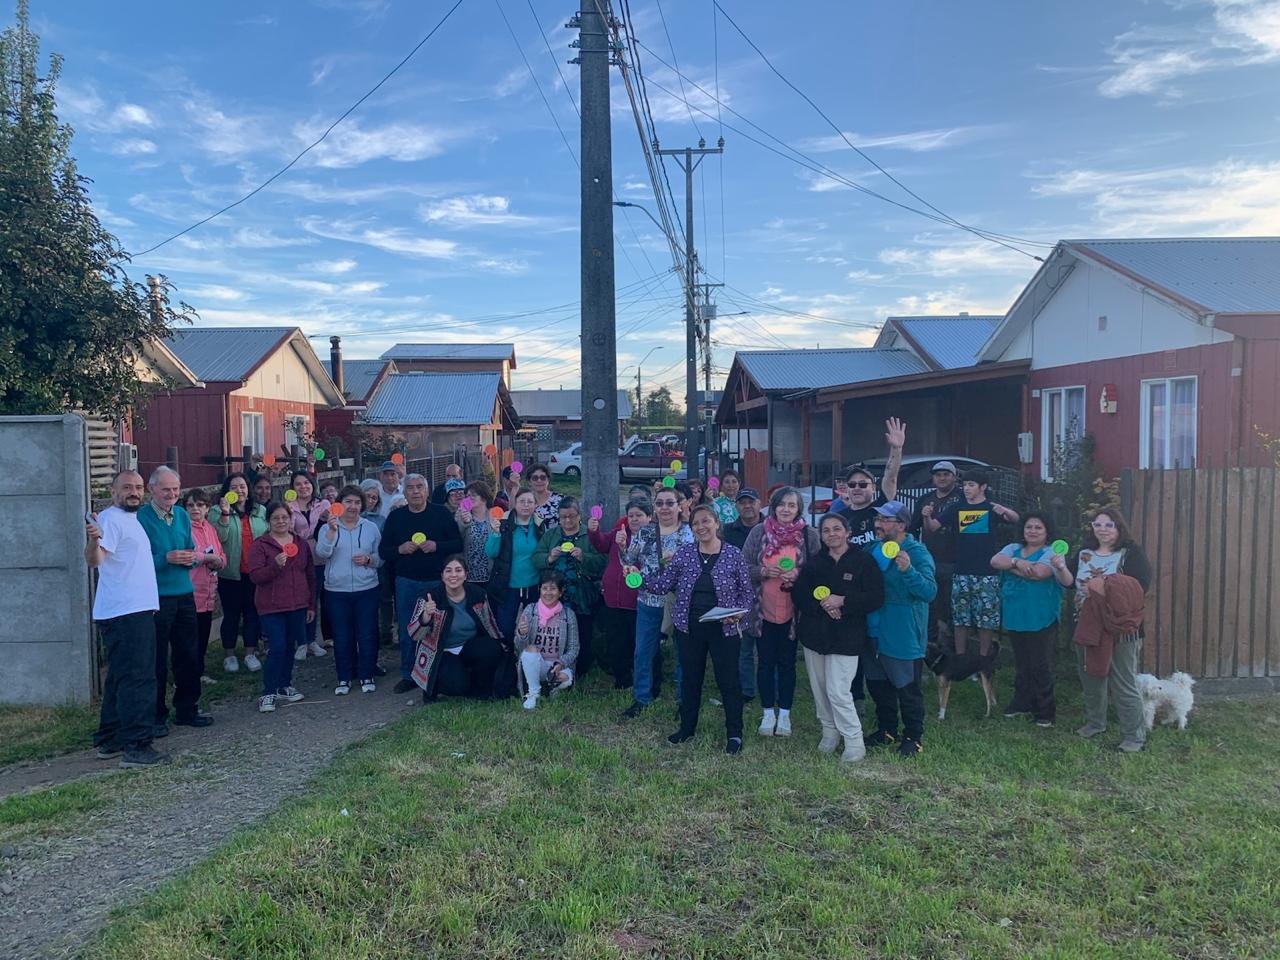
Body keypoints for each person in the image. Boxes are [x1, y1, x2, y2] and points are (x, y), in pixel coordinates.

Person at [642, 504, 754, 754]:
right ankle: (687, 728)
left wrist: (737, 618)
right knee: (691, 679)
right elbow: (663, 585)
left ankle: (734, 734)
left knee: (729, 682)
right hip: (689, 628)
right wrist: (638, 578)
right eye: (696, 523)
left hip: (724, 629)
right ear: (691, 529)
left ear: (716, 523)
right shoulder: (684, 554)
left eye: (706, 521)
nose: (701, 527)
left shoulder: (734, 554)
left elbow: (747, 594)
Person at [86, 471, 167, 767]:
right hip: (125, 612)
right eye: (126, 488)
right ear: (113, 491)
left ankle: (111, 739)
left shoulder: (129, 520)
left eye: (137, 487)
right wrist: (94, 541)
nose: (133, 492)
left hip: (133, 610)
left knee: (122, 677)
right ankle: (137, 745)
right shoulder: (109, 520)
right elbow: (95, 561)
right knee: (139, 678)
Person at [794, 513, 885, 761]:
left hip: (847, 635)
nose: (831, 534)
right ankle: (829, 732)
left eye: (836, 529)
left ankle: (853, 740)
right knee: (820, 689)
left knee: (838, 690)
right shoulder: (814, 563)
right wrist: (824, 605)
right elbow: (800, 594)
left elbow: (876, 596)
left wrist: (843, 601)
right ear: (821, 536)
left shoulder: (863, 561)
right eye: (826, 530)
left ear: (847, 532)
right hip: (815, 635)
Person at [136, 466, 213, 733]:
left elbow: (190, 548)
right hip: (157, 597)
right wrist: (164, 559)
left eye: (175, 489)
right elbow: (136, 560)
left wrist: (190, 557)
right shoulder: (141, 518)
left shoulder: (180, 515)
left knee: (188, 654)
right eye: (166, 489)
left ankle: (187, 708)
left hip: (184, 592)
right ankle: (156, 714)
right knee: (156, 658)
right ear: (152, 489)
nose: (171, 494)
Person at [1071, 509, 1152, 753]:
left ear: (1119, 528)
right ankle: (1096, 723)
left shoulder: (1132, 555)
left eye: (1109, 524)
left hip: (1120, 630)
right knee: (1091, 676)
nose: (1103, 529)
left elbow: (1138, 589)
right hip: (1086, 625)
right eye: (1098, 524)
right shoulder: (1083, 554)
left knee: (1124, 681)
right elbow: (1067, 582)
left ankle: (1134, 736)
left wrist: (1101, 589)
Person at [742, 486, 820, 738]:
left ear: (799, 509)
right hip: (762, 612)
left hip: (793, 614)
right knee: (764, 663)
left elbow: (819, 570)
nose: (786, 509)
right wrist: (763, 572)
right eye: (782, 504)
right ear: (773, 506)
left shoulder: (809, 536)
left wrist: (799, 575)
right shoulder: (758, 532)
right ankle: (767, 713)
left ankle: (784, 714)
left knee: (787, 664)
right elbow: (743, 568)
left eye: (792, 505)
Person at [863, 501, 936, 757]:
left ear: (902, 525)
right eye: (877, 520)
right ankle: (886, 729)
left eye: (884, 520)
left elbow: (929, 592)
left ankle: (913, 737)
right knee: (878, 684)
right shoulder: (872, 549)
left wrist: (908, 570)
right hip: (873, 629)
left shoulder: (917, 553)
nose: (878, 525)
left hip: (902, 630)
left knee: (907, 688)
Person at [380, 474, 464, 692]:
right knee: (409, 628)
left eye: (419, 487)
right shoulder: (396, 517)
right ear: (404, 492)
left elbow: (457, 543)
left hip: (437, 581)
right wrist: (399, 549)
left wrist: (436, 546)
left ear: (427, 491)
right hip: (406, 581)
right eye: (410, 488)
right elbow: (383, 551)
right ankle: (409, 673)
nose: (415, 491)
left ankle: (437, 671)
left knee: (438, 629)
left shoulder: (441, 513)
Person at [991, 512, 1073, 728]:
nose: (1033, 531)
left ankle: (1045, 711)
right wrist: (1018, 562)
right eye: (1029, 527)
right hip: (1016, 615)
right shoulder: (1012, 549)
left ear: (1047, 532)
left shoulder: (1051, 553)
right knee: (1022, 663)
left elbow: (1038, 573)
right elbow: (995, 560)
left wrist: (1011, 566)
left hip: (1041, 616)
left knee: (1040, 665)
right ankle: (1021, 703)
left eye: (1038, 527)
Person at [621, 486, 693, 717]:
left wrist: (678, 564)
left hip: (679, 603)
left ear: (679, 506)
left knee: (684, 653)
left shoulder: (689, 534)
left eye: (669, 503)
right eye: (660, 503)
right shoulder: (644, 533)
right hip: (648, 601)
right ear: (654, 507)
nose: (664, 508)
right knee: (643, 651)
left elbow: (699, 568)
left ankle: (684, 699)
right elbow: (629, 560)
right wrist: (628, 563)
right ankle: (642, 697)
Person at [930, 469, 1019, 657]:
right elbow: (933, 527)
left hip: (987, 572)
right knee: (961, 618)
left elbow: (1017, 520)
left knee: (986, 620)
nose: (966, 489)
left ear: (983, 487)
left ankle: (983, 659)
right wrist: (926, 516)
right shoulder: (957, 508)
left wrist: (1006, 511)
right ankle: (961, 657)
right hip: (961, 570)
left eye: (971, 485)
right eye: (964, 485)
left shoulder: (991, 508)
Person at [247, 502, 315, 713]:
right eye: (276, 518)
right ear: (268, 522)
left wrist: (310, 604)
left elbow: (310, 576)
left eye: (284, 517)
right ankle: (268, 692)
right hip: (271, 606)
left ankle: (284, 685)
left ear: (290, 519)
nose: (281, 521)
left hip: (297, 604)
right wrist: (275, 565)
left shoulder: (301, 544)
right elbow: (256, 576)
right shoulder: (260, 545)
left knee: (289, 647)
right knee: (276, 647)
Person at [408, 555, 505, 701]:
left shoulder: (477, 594)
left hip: (469, 646)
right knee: (458, 685)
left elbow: (489, 623)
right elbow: (414, 634)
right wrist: (426, 616)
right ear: (442, 576)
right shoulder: (430, 597)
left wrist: (501, 643)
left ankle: (481, 691)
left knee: (493, 649)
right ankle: (435, 685)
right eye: (448, 571)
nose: (453, 575)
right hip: (442, 651)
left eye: (458, 570)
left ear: (465, 575)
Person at [315, 485, 383, 696]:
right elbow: (321, 554)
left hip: (366, 589)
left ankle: (366, 674)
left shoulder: (370, 527)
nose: (353, 506)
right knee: (342, 636)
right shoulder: (328, 527)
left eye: (357, 502)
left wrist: (369, 560)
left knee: (367, 633)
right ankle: (344, 677)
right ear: (339, 504)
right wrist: (332, 533)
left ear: (362, 505)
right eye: (348, 502)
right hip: (337, 591)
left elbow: (381, 558)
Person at [533, 497, 604, 677]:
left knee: (582, 631)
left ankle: (580, 668)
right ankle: (554, 666)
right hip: (555, 596)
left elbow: (603, 561)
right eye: (563, 517)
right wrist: (549, 557)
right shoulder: (551, 535)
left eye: (571, 516)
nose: (567, 521)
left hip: (580, 594)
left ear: (579, 516)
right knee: (556, 632)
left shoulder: (589, 535)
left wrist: (584, 557)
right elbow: (536, 557)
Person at [589, 498, 651, 689]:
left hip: (637, 600)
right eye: (630, 515)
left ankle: (640, 676)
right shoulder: (618, 533)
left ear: (649, 517)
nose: (634, 519)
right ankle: (621, 679)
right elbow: (601, 545)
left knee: (636, 640)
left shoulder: (652, 538)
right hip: (612, 599)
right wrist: (594, 531)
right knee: (616, 640)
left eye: (639, 515)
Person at [908, 461, 964, 652]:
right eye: (938, 474)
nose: (942, 478)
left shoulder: (962, 498)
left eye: (946, 474)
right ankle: (931, 648)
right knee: (929, 606)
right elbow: (913, 528)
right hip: (929, 561)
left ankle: (954, 650)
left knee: (951, 607)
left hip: (955, 561)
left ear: (954, 477)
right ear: (933, 477)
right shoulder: (924, 499)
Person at [214, 473, 267, 674]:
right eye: (234, 487)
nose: (239, 490)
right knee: (231, 615)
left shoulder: (259, 510)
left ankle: (250, 653)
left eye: (243, 486)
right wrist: (225, 514)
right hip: (231, 574)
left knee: (252, 613)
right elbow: (220, 538)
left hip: (254, 572)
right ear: (227, 491)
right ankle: (229, 655)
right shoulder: (216, 511)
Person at [484, 487, 546, 647]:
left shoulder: (539, 525)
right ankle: (507, 659)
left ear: (535, 504)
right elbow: (490, 552)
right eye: (522, 501)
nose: (526, 505)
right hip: (508, 586)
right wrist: (495, 533)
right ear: (514, 504)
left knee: (533, 626)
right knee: (506, 626)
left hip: (533, 585)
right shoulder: (503, 524)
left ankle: (529, 658)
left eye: (530, 502)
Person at [835, 417, 907, 548]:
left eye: (863, 484)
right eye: (852, 485)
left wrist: (896, 449)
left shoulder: (881, 508)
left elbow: (891, 478)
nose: (857, 488)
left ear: (873, 488)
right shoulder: (839, 518)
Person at [515, 570, 579, 709]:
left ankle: (551, 688)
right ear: (539, 590)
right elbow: (519, 648)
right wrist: (522, 633)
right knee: (530, 650)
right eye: (544, 588)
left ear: (561, 592)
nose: (548, 593)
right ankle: (533, 693)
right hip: (537, 663)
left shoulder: (568, 615)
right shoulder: (530, 610)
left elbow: (574, 648)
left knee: (565, 679)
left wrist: (561, 663)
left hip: (557, 665)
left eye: (553, 589)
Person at [722, 486, 762, 701]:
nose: (747, 506)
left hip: (768, 593)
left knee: (767, 647)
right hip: (738, 595)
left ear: (759, 503)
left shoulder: (771, 528)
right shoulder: (727, 531)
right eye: (742, 502)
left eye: (751, 501)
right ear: (736, 506)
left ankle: (770, 688)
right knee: (744, 646)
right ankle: (746, 690)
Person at [184, 489, 226, 683]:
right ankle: (186, 675)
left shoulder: (209, 528)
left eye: (200, 505)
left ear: (207, 508)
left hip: (208, 591)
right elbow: (188, 556)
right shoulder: (184, 528)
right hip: (191, 590)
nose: (195, 509)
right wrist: (208, 558)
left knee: (203, 635)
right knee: (189, 638)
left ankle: (199, 672)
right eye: (191, 505)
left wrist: (219, 561)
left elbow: (221, 554)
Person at [287, 470, 329, 660]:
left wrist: (311, 532)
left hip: (320, 558)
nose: (303, 487)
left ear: (313, 485)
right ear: (292, 487)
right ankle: (301, 641)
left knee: (315, 600)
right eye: (298, 484)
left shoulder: (324, 504)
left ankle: (312, 640)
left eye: (306, 483)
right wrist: (312, 531)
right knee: (300, 600)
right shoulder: (289, 507)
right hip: (298, 560)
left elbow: (329, 529)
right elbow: (290, 534)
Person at [457, 480, 495, 585]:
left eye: (473, 495)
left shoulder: (495, 514)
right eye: (467, 495)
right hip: (469, 575)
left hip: (491, 574)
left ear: (484, 497)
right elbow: (457, 537)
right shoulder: (460, 515)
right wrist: (465, 523)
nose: (469, 498)